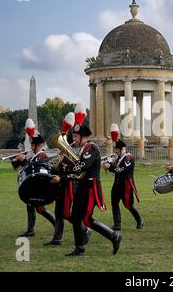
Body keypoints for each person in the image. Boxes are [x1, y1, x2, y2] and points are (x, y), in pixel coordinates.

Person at [52, 103, 121, 256]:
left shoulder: (91, 147)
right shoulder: (83, 149)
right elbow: (77, 172)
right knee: (77, 218)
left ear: (84, 137)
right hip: (82, 186)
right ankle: (81, 248)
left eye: (76, 136)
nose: (73, 139)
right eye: (74, 136)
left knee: (85, 219)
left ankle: (113, 236)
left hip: (90, 188)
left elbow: (81, 167)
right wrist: (63, 173)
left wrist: (69, 166)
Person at [46, 112, 91, 246]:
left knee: (65, 213)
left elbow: (74, 170)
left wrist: (61, 172)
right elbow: (58, 168)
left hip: (68, 185)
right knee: (59, 212)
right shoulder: (64, 153)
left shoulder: (76, 152)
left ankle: (85, 229)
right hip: (61, 184)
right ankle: (57, 238)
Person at [11, 119, 55, 237]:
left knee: (40, 209)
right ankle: (31, 230)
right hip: (33, 185)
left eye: (33, 144)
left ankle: (56, 225)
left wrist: (24, 160)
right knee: (30, 206)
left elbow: (35, 168)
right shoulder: (34, 154)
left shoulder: (43, 154)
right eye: (31, 143)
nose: (31, 146)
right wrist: (17, 160)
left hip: (40, 186)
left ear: (39, 145)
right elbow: (24, 166)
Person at [103, 124, 143, 231]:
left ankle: (139, 220)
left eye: (116, 149)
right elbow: (114, 165)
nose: (115, 151)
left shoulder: (129, 157)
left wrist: (110, 167)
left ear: (121, 149)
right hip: (117, 184)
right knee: (114, 203)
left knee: (128, 205)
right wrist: (107, 164)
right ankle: (117, 224)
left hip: (126, 185)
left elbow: (122, 171)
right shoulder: (118, 157)